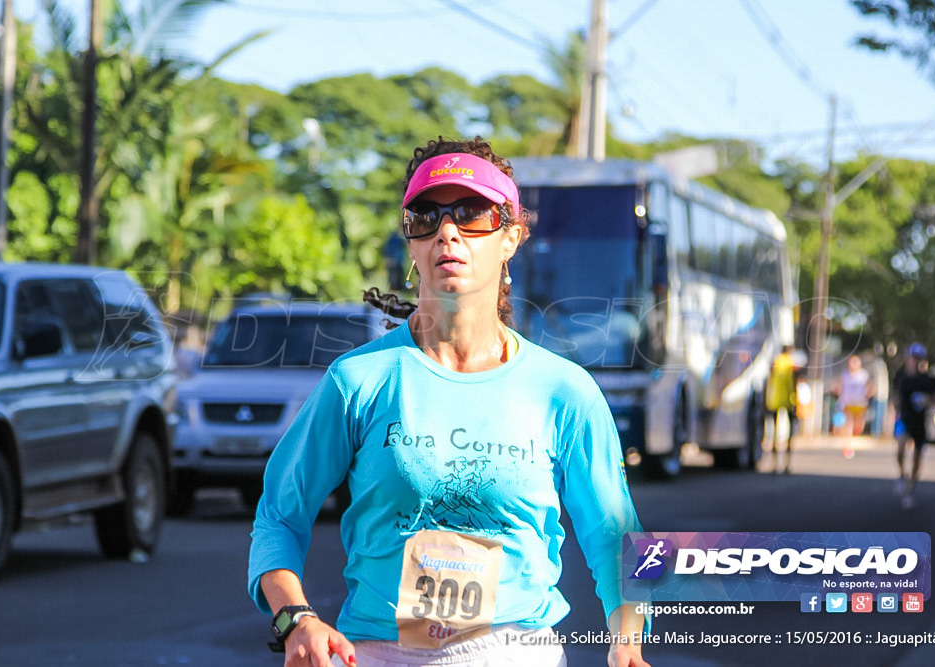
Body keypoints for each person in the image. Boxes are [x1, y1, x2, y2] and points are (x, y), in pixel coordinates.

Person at [247, 136, 650, 667]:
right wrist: (295, 618)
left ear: (511, 237)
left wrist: (628, 645)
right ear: (411, 244)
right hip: (377, 654)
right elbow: (279, 515)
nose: (448, 232)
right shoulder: (359, 380)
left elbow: (616, 538)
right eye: (426, 217)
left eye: (472, 213)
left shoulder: (563, 390)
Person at [891, 343, 935, 509]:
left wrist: (929, 400)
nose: (915, 361)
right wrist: (896, 405)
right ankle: (901, 475)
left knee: (917, 457)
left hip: (919, 422)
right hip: (903, 419)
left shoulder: (927, 380)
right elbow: (895, 392)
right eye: (913, 358)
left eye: (918, 358)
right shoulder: (901, 376)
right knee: (900, 447)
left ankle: (910, 489)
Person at [764, 345, 799, 473]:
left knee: (773, 432)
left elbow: (769, 380)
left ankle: (773, 465)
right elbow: (795, 382)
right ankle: (786, 465)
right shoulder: (791, 364)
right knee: (790, 434)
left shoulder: (775, 362)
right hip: (789, 400)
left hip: (774, 400)